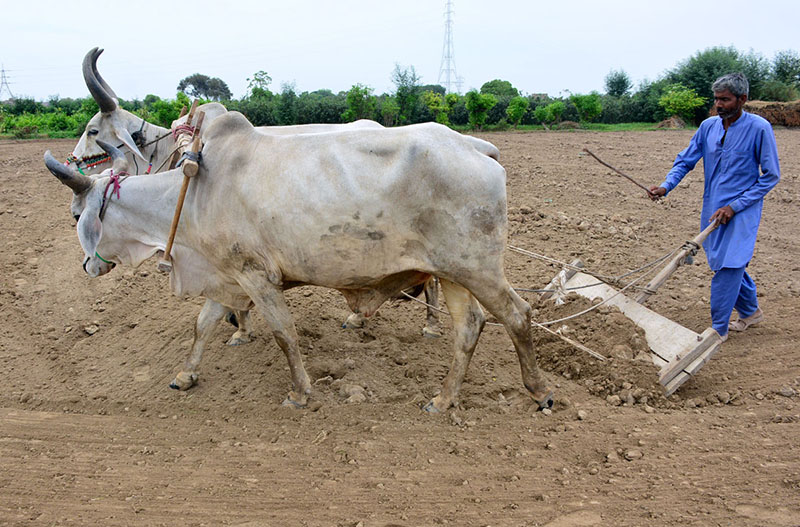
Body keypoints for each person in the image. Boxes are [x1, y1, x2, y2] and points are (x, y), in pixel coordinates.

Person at [649, 72, 780, 342]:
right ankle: (751, 311)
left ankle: (717, 330)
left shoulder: (759, 128)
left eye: (725, 99)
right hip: (713, 207)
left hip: (742, 210)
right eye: (716, 99)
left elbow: (771, 175)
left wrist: (735, 206)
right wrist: (666, 186)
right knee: (723, 262)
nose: (718, 105)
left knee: (730, 265)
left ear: (742, 99)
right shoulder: (709, 127)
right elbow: (685, 161)